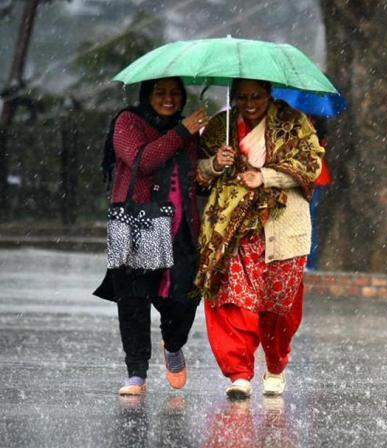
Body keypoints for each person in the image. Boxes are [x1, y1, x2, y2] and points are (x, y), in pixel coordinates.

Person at [195, 78, 324, 399]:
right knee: (232, 299)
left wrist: (264, 175)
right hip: (231, 229)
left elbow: (311, 166)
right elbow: (195, 172)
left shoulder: (294, 124)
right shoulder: (219, 127)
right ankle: (239, 373)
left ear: (269, 93)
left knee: (279, 306)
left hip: (282, 227)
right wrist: (215, 164)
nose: (249, 104)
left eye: (256, 97)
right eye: (242, 97)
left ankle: (276, 366)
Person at [94, 77, 208, 396]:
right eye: (161, 92)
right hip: (135, 220)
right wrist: (183, 131)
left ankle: (173, 344)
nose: (168, 99)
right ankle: (137, 373)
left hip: (180, 228)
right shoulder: (128, 121)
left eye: (175, 93)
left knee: (184, 297)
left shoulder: (187, 132)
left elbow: (196, 181)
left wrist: (215, 166)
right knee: (133, 299)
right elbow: (143, 161)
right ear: (147, 94)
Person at [307, 117, 331, 271]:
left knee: (309, 221)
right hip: (313, 177)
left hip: (313, 178)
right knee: (310, 221)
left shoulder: (313, 124)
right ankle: (308, 263)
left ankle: (309, 262)